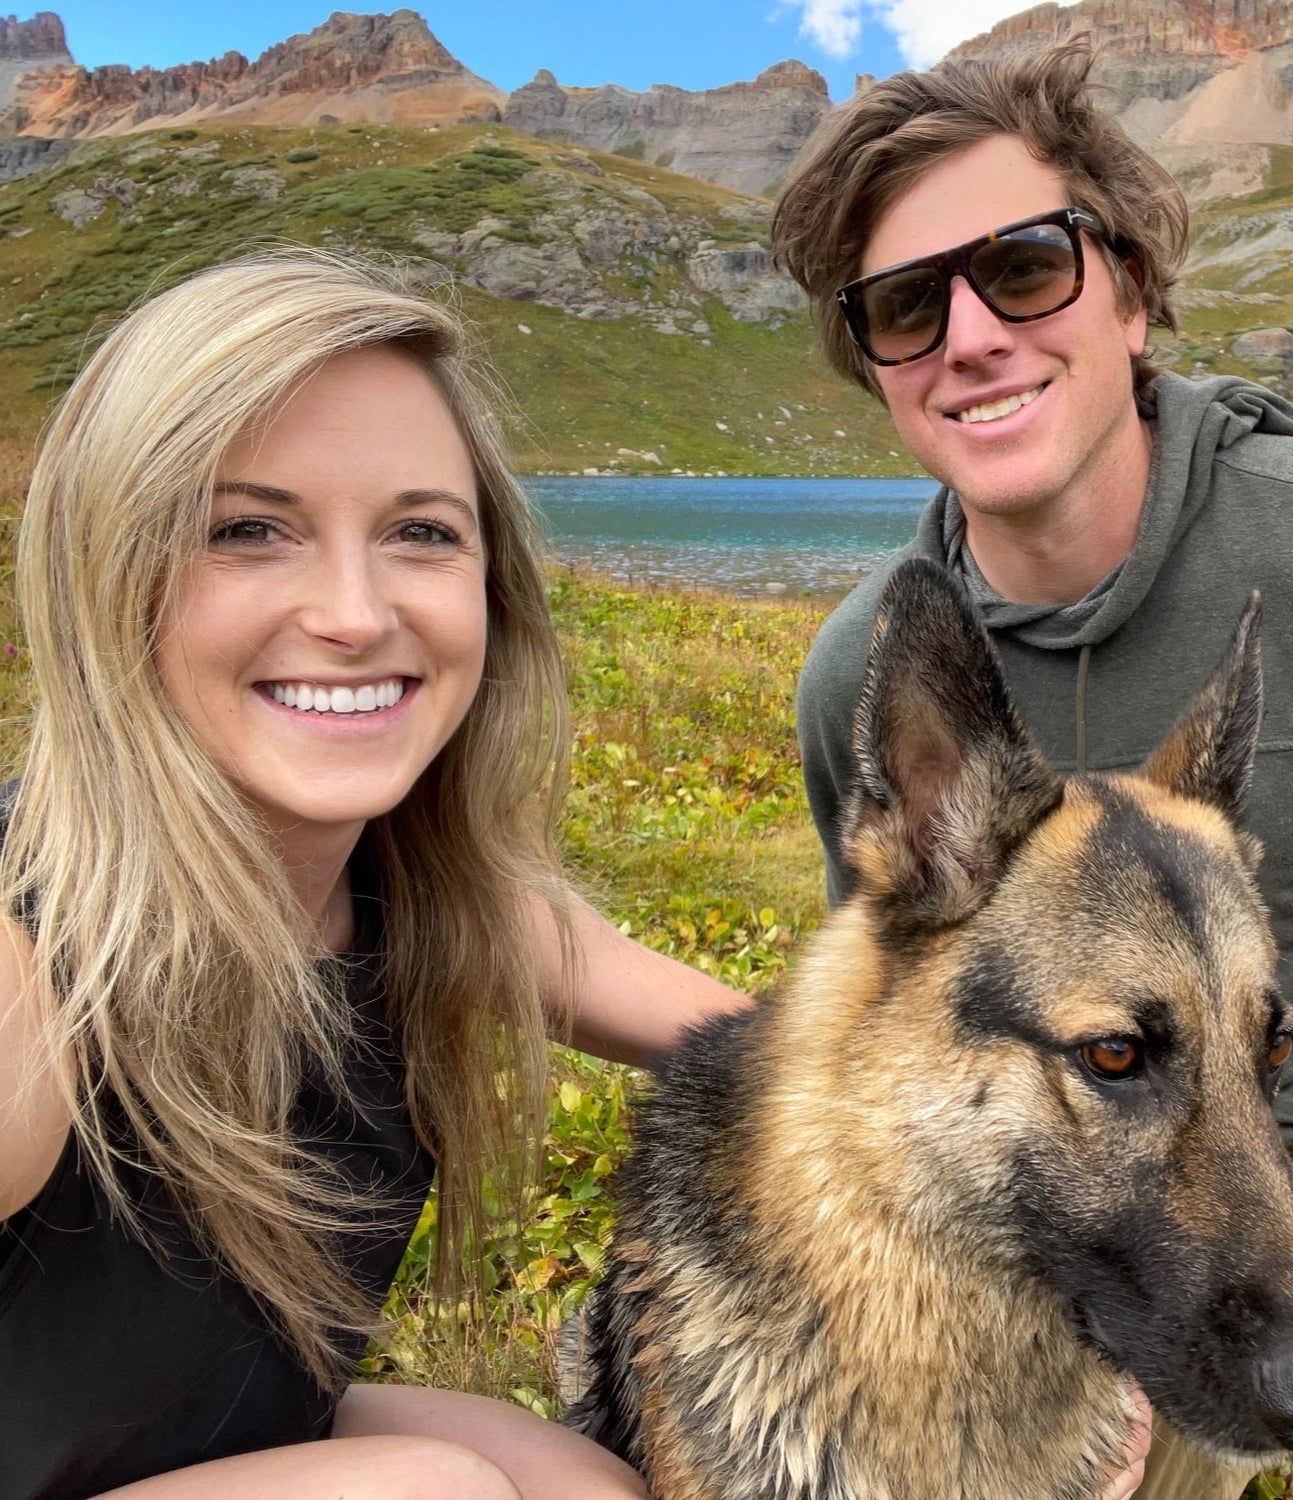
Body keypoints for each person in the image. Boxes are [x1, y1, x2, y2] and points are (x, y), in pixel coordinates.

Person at [772, 40, 1293, 1500]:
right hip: (1061, 1170)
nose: (972, 336)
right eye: (910, 307)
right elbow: (904, 1017)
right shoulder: (870, 675)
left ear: (1133, 290)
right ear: (881, 368)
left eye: (1025, 268)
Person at [0, 249, 755, 1500]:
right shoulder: (30, 965)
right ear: (107, 574)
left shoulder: (427, 901)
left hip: (158, 1438)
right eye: (248, 531)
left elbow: (807, 1066)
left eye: (420, 533)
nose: (354, 613)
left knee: (581, 1488)